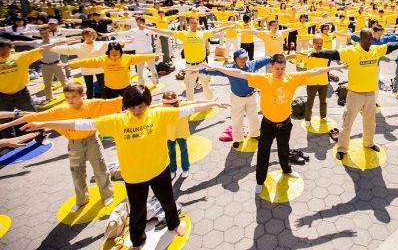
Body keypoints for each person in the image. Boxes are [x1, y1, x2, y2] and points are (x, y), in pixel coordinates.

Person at [21, 85, 229, 250]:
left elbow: (188, 108)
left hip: (160, 169)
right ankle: (137, 241)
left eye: (142, 106)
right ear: (126, 106)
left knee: (168, 200)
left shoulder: (158, 114)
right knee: (137, 210)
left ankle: (174, 224)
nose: (138, 111)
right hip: (134, 175)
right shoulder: (118, 120)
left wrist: (213, 102)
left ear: (148, 103)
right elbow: (81, 124)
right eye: (133, 107)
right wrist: (44, 124)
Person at [203, 54, 341, 195]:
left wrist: (334, 67)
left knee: (284, 149)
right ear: (271, 67)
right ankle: (259, 181)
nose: (280, 71)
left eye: (282, 68)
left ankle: (286, 169)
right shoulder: (264, 79)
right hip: (268, 125)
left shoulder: (292, 78)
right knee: (263, 152)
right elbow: (239, 73)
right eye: (277, 68)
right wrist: (212, 67)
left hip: (285, 124)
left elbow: (313, 71)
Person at [0, 82, 119, 212]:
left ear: (82, 95)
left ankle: (107, 194)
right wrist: (5, 126)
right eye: (67, 97)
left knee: (100, 168)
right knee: (77, 172)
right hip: (74, 143)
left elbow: (116, 102)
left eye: (73, 96)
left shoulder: (93, 104)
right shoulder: (61, 110)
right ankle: (82, 199)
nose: (70, 100)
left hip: (92, 141)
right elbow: (34, 116)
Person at [310, 28, 398, 160]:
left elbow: (390, 47)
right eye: (368, 39)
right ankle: (342, 148)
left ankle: (368, 143)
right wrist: (317, 54)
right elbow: (333, 54)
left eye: (371, 39)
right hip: (355, 94)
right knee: (348, 123)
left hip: (370, 94)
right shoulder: (351, 51)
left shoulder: (375, 50)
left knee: (370, 122)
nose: (370, 41)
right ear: (361, 39)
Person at [197, 49, 276, 148]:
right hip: (236, 98)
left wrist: (276, 56)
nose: (244, 59)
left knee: (253, 117)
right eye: (241, 58)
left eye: (245, 57)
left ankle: (255, 134)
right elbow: (216, 71)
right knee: (236, 119)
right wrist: (200, 70)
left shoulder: (252, 64)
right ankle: (238, 138)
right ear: (235, 60)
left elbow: (266, 59)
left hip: (251, 96)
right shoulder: (229, 69)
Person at [145, 16, 230, 100]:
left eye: (195, 23)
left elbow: (216, 30)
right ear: (189, 24)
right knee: (189, 88)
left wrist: (228, 26)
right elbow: (168, 32)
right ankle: (190, 105)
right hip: (190, 66)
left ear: (198, 23)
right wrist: (150, 28)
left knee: (206, 85)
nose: (193, 24)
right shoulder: (184, 34)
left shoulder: (203, 33)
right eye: (191, 23)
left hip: (203, 65)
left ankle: (210, 102)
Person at [0, 38, 65, 139]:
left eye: (4, 48)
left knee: (32, 115)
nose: (2, 51)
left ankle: (41, 136)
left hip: (21, 93)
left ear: (10, 48)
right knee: (4, 120)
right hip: (2, 95)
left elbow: (42, 48)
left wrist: (61, 42)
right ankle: (9, 144)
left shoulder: (21, 56)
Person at [65, 42, 158, 98]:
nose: (114, 52)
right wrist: (70, 64)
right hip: (110, 88)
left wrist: (154, 55)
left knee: (127, 104)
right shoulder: (103, 59)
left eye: (116, 50)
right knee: (113, 106)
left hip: (125, 87)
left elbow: (141, 57)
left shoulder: (127, 58)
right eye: (111, 50)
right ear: (108, 51)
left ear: (120, 50)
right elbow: (87, 62)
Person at [12, 26, 74, 103]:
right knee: (47, 84)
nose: (45, 35)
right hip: (44, 66)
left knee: (64, 82)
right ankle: (49, 98)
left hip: (57, 64)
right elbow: (24, 42)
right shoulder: (37, 42)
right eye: (42, 33)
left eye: (46, 33)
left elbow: (69, 40)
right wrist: (10, 43)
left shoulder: (56, 40)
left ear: (50, 33)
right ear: (40, 35)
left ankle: (70, 96)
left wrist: (83, 37)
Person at [113, 17, 159, 87]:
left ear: (144, 23)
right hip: (139, 53)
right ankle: (141, 84)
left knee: (152, 68)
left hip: (149, 52)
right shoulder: (134, 31)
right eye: (137, 22)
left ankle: (155, 82)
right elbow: (122, 33)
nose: (138, 24)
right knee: (139, 71)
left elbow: (159, 31)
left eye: (140, 22)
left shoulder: (149, 30)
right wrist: (108, 34)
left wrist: (157, 51)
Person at [296, 35, 331, 126]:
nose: (319, 45)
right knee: (310, 102)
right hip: (311, 82)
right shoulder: (308, 53)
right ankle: (308, 119)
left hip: (324, 81)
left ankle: (323, 116)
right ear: (313, 43)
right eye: (317, 43)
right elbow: (296, 55)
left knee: (323, 101)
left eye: (321, 43)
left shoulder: (327, 52)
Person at [161, 91, 191, 180]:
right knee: (171, 152)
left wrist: (212, 102)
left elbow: (195, 103)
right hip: (169, 134)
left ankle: (185, 169)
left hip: (181, 133)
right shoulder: (162, 108)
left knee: (183, 150)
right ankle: (172, 169)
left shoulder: (183, 105)